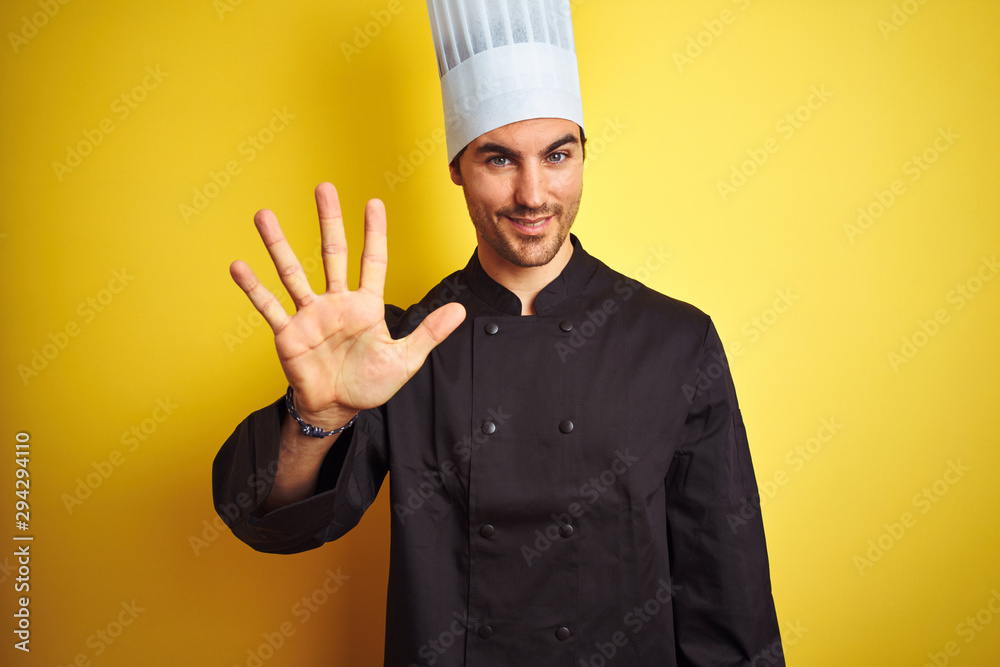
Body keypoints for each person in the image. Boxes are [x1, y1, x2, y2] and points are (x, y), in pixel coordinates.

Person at [213, 2, 783, 665]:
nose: (533, 193)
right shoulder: (398, 348)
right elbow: (275, 521)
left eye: (557, 154)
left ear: (583, 154)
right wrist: (320, 415)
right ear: (456, 165)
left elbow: (725, 593)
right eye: (499, 159)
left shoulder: (675, 342)